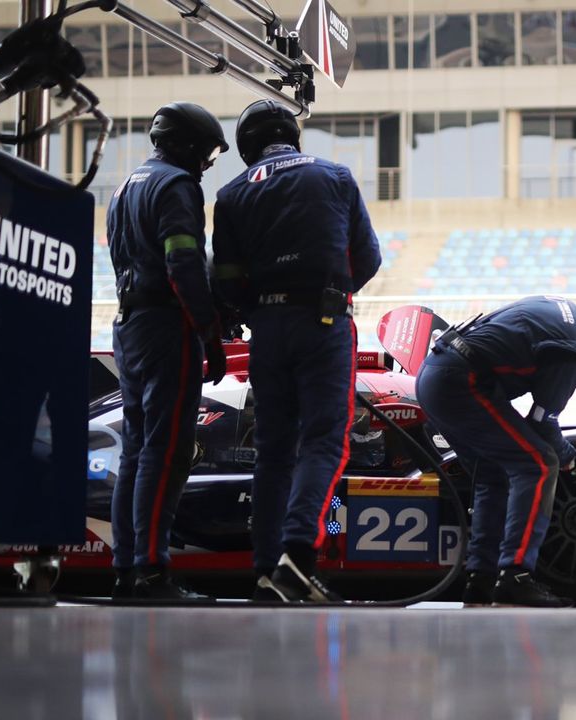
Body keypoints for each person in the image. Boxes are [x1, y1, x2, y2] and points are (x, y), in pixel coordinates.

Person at [212, 99, 382, 603]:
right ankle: (298, 557)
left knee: (273, 450)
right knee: (325, 441)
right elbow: (368, 258)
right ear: (293, 135)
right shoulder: (335, 176)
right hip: (323, 321)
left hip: (266, 328)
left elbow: (225, 279)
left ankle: (266, 570)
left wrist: (259, 310)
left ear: (247, 147)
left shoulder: (230, 194)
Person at [415, 297, 576, 607]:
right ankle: (515, 577)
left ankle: (480, 581)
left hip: (437, 375)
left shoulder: (569, 313)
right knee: (539, 464)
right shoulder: (573, 352)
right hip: (460, 382)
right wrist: (572, 461)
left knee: (492, 476)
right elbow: (541, 425)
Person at [107, 102, 230, 600]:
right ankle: (153, 573)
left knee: (136, 452)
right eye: (205, 154)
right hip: (164, 327)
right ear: (187, 147)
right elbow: (182, 263)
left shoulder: (124, 186)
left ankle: (127, 569)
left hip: (129, 326)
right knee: (168, 451)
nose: (206, 164)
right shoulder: (177, 187)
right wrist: (208, 331)